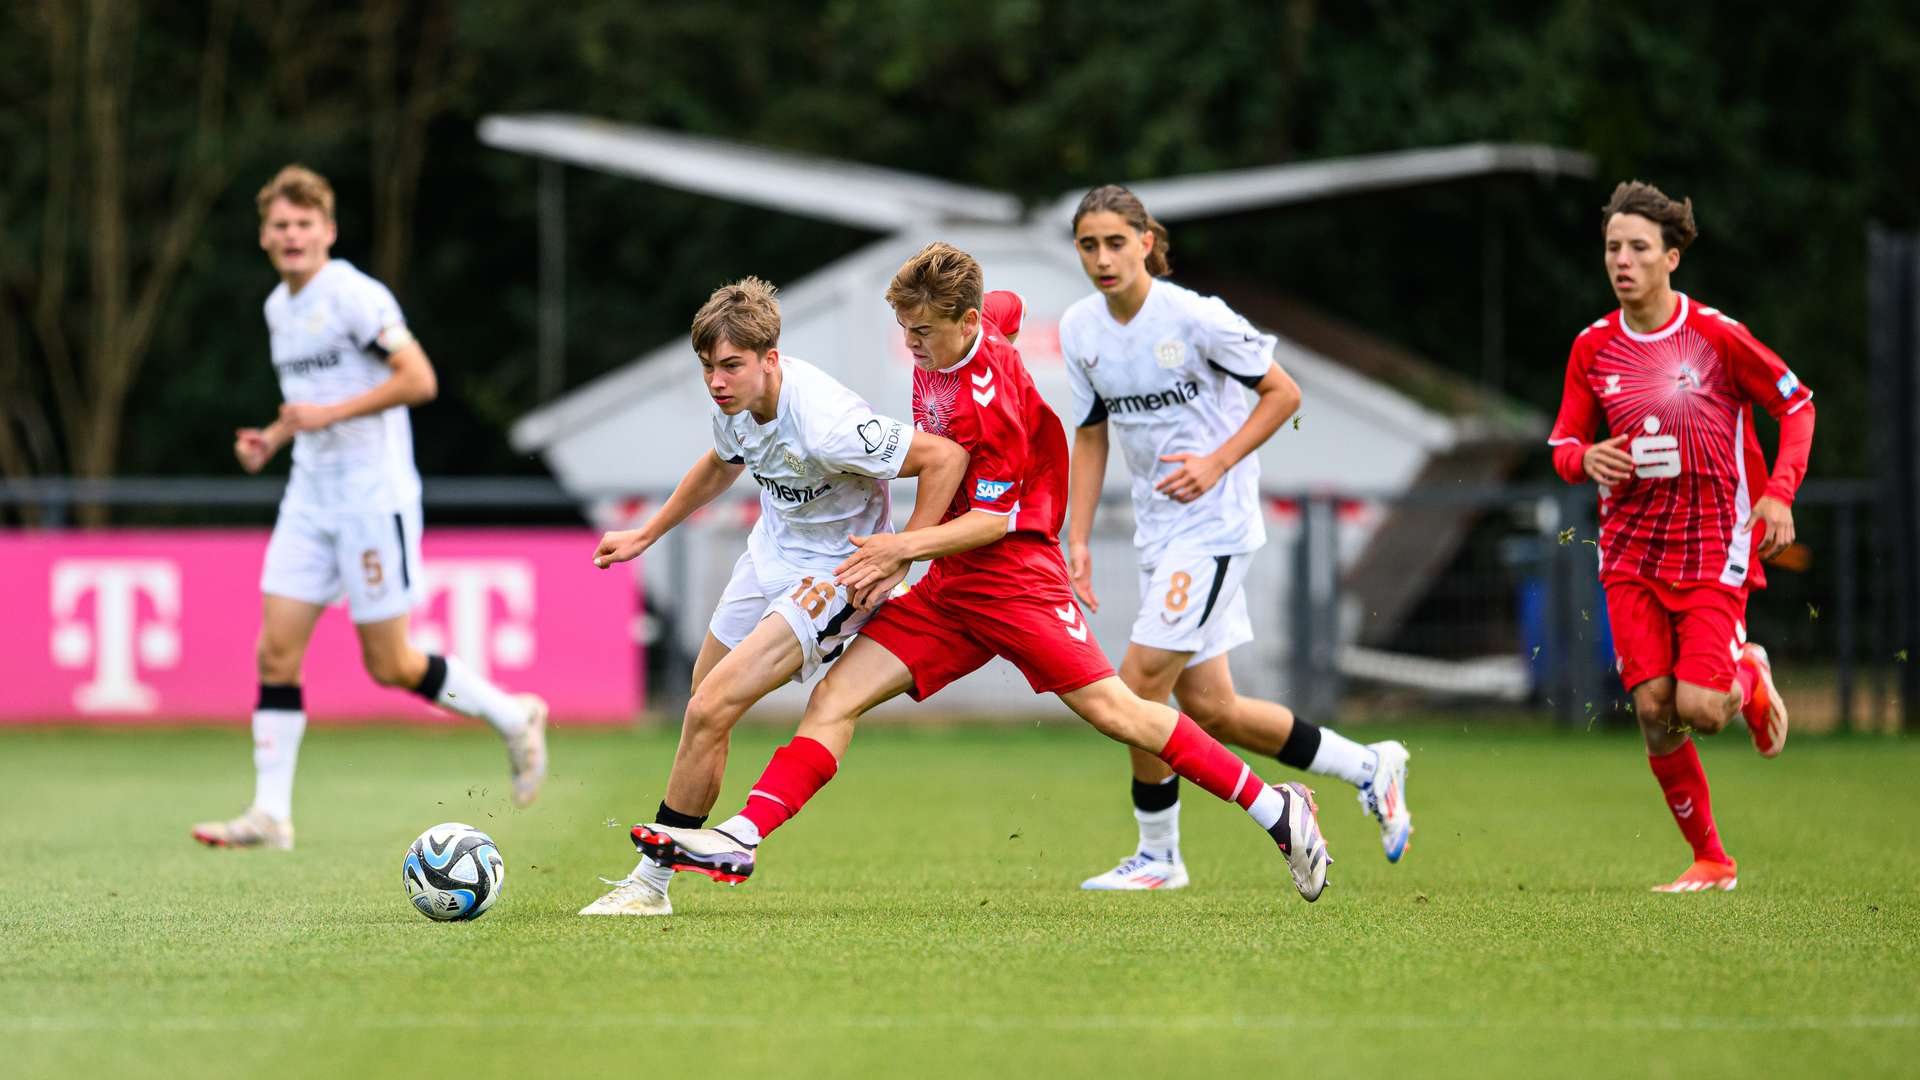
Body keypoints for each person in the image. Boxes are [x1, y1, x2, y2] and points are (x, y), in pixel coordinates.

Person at [633, 243, 1332, 904]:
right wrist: (915, 553)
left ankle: (1277, 806)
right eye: (905, 328)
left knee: (1117, 712)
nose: (912, 344)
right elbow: (1006, 301)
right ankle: (742, 835)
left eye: (924, 331)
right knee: (834, 699)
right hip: (947, 584)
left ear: (963, 323)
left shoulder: (988, 402)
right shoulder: (968, 322)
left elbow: (993, 522)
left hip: (1011, 576)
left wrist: (900, 549)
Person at [579, 277, 968, 916]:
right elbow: (720, 462)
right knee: (705, 709)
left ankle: (648, 888)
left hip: (834, 576)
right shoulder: (735, 406)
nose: (716, 381)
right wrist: (647, 533)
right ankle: (656, 882)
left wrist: (903, 556)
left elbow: (944, 458)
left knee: (709, 707)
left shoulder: (828, 425)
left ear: (771, 359)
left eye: (731, 365)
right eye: (707, 366)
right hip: (769, 557)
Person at [1060, 185, 1412, 890]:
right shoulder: (1079, 329)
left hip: (1214, 526)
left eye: (1115, 242)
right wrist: (1078, 537)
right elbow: (1092, 433)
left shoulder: (1194, 317)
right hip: (1162, 534)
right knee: (1214, 710)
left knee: (1133, 690)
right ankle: (1370, 767)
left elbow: (1283, 391)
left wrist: (1217, 462)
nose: (1102, 258)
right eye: (1088, 245)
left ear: (1146, 243)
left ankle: (1160, 856)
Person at [193, 165, 548, 852]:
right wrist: (272, 437)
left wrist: (325, 414)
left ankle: (512, 715)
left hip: (369, 497)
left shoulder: (354, 295)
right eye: (280, 226)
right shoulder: (278, 308)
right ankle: (270, 815)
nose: (292, 236)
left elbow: (419, 379)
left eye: (305, 224)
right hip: (308, 495)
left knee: (389, 664)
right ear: (264, 236)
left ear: (328, 231)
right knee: (275, 652)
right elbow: (314, 397)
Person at [1548, 180, 1813, 893]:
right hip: (1629, 547)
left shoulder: (1717, 337)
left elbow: (1798, 405)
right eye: (1612, 247)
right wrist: (1584, 458)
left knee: (1701, 708)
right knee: (1655, 713)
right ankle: (1712, 861)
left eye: (1638, 247)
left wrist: (1778, 495)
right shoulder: (1592, 347)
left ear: (1671, 257)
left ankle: (1747, 675)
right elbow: (1564, 442)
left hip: (1711, 541)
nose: (1622, 260)